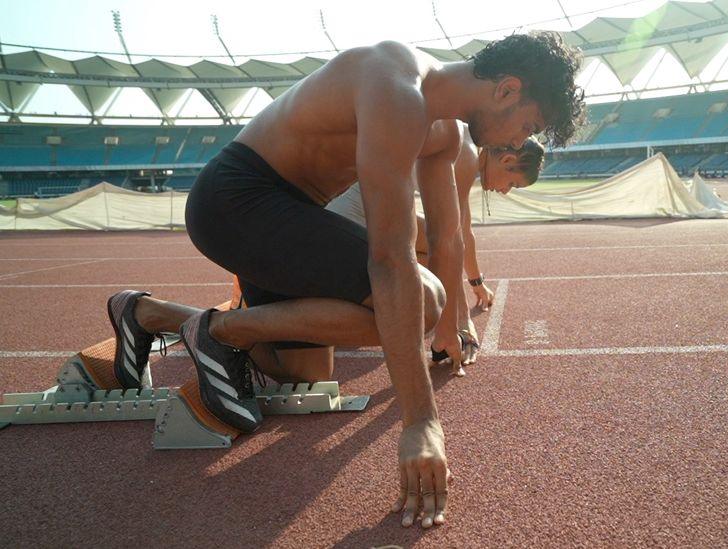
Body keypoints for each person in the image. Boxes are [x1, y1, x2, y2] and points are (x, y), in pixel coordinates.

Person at [103, 32, 584, 529]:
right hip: (235, 201)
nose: (515, 142)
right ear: (506, 89)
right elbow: (390, 259)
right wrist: (421, 421)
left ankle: (147, 314)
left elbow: (446, 237)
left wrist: (449, 329)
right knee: (420, 301)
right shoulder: (397, 87)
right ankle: (219, 333)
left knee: (302, 373)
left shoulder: (449, 133)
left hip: (292, 215)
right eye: (527, 126)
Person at [325, 130, 545, 370]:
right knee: (434, 269)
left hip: (367, 214)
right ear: (507, 161)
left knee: (431, 265)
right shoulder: (466, 156)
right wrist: (460, 321)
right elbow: (449, 240)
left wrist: (476, 282)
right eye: (512, 183)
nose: (505, 191)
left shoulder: (469, 152)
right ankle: (345, 304)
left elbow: (463, 230)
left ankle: (369, 295)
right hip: (352, 219)